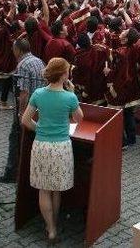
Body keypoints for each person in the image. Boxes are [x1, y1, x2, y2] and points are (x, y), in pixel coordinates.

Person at [21, 58, 83, 244]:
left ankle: (51, 229)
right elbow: (79, 118)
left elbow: (25, 120)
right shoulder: (69, 97)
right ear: (64, 75)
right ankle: (54, 222)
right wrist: (73, 94)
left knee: (44, 189)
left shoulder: (39, 94)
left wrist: (39, 128)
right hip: (62, 147)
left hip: (42, 145)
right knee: (57, 189)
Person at [0, 38, 45, 183]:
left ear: (18, 50)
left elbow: (23, 93)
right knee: (29, 139)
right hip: (39, 107)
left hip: (27, 108)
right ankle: (27, 171)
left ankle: (12, 173)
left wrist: (21, 114)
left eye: (13, 49)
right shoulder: (38, 61)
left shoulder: (22, 65)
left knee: (15, 139)